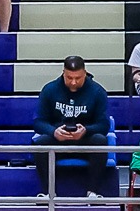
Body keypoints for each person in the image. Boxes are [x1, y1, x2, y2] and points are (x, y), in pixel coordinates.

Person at [32, 56, 112, 193]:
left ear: (85, 73)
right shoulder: (50, 90)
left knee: (100, 141)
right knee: (39, 144)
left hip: (85, 140)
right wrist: (54, 132)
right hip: (58, 140)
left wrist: (86, 130)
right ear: (63, 73)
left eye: (78, 78)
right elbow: (38, 122)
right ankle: (47, 193)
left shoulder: (98, 92)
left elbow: (104, 125)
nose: (73, 82)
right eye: (69, 78)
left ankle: (93, 192)